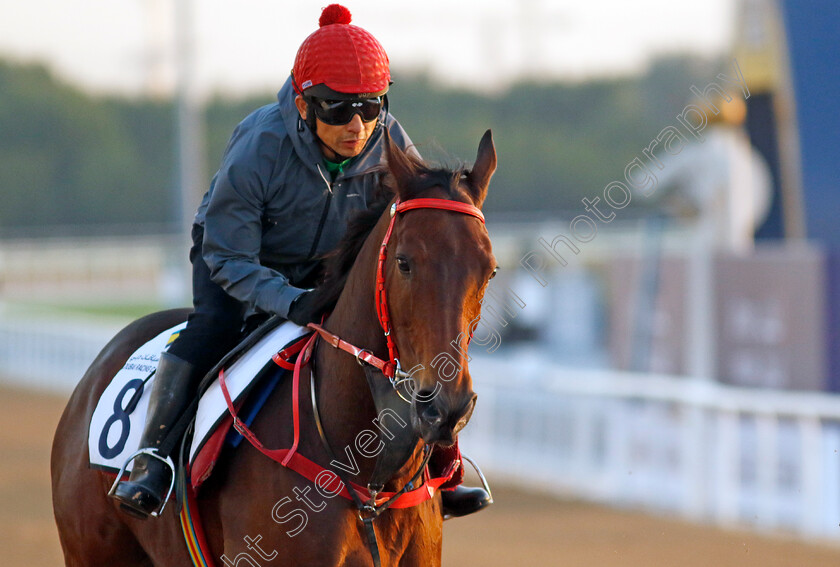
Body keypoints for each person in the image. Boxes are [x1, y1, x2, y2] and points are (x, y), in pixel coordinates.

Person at [112, 4, 491, 521]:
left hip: (328, 266)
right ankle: (152, 458)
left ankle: (444, 466)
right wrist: (292, 302)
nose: (356, 126)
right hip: (238, 256)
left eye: (369, 107)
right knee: (215, 327)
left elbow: (410, 229)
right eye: (336, 110)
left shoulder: (390, 140)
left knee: (394, 334)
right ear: (303, 103)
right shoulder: (259, 145)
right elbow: (229, 255)